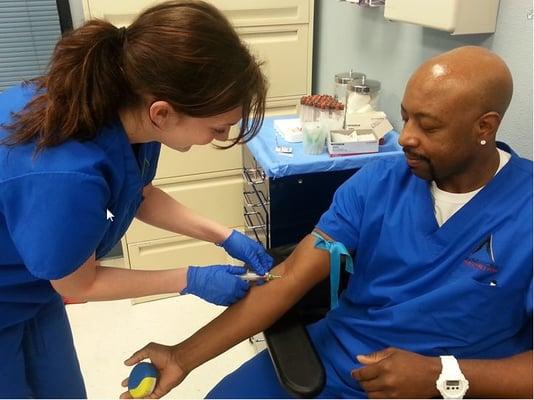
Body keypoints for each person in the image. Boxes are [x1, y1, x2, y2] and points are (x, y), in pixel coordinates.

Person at [120, 46, 533, 399]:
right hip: (338, 357)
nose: (406, 137)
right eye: (406, 117)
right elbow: (290, 278)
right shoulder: (378, 182)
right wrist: (181, 356)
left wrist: (443, 376)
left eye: (428, 125)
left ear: (485, 127)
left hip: (454, 384)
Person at [0, 1, 273, 398]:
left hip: (31, 290)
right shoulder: (66, 175)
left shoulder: (127, 112)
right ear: (162, 112)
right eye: (216, 129)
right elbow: (81, 283)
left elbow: (137, 193)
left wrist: (224, 235)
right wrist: (189, 279)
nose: (217, 139)